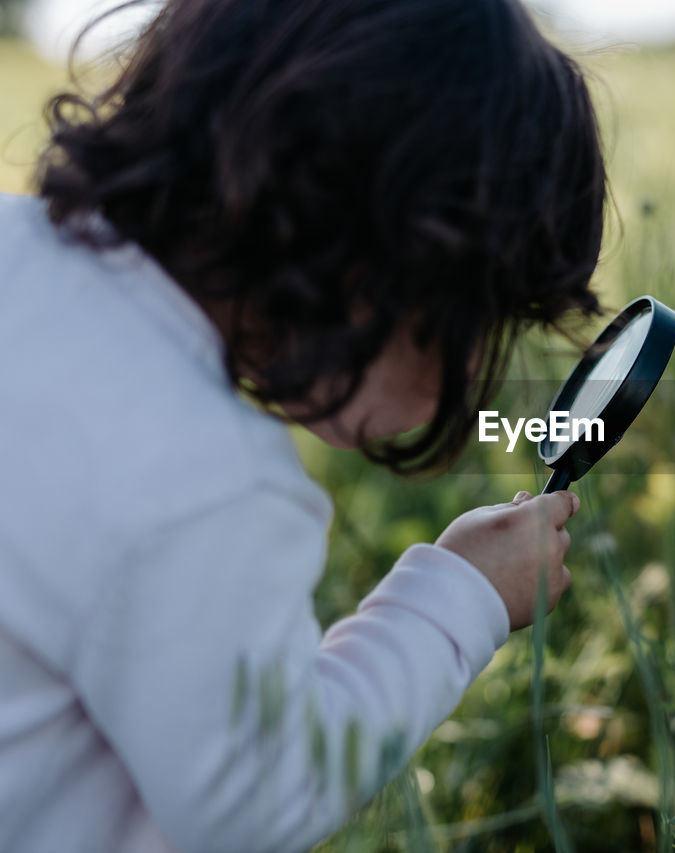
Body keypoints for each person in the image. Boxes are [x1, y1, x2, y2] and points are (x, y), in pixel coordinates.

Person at [0, 0, 605, 849]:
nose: (477, 371)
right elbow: (265, 797)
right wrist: (460, 597)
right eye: (483, 319)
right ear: (391, 258)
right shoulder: (204, 479)